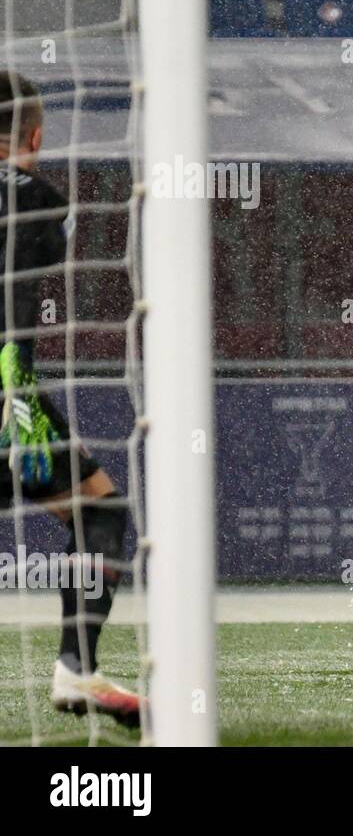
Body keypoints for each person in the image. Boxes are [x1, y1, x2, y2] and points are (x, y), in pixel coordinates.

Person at [0, 72, 139, 724]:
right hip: (10, 397)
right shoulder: (46, 205)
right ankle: (75, 668)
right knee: (101, 516)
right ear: (34, 134)